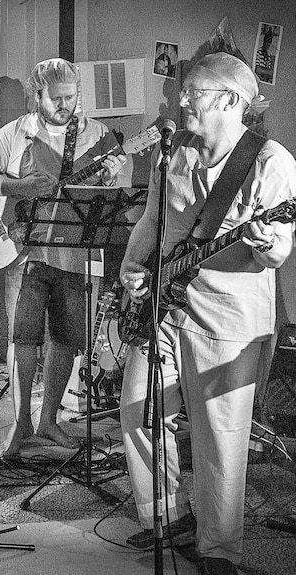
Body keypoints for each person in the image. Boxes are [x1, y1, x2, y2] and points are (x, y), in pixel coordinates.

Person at [119, 52, 295, 575]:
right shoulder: (175, 151)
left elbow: (279, 251)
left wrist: (267, 244)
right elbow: (153, 219)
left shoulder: (270, 161)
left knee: (221, 437)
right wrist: (131, 268)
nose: (181, 100)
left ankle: (220, 550)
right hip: (164, 306)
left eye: (192, 91)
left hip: (230, 316)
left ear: (229, 99)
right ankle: (168, 515)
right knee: (138, 409)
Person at [0, 58, 128, 457]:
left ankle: (49, 420)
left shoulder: (98, 134)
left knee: (65, 339)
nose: (64, 106)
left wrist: (109, 177)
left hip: (73, 252)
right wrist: (17, 185)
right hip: (23, 250)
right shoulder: (14, 132)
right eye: (55, 98)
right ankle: (21, 425)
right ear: (36, 95)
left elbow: (117, 190)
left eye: (71, 97)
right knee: (23, 339)